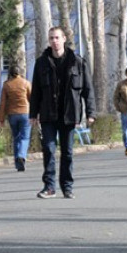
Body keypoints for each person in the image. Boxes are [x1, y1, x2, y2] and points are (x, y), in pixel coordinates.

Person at [29, 26, 95, 199]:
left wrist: (90, 113)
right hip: (48, 114)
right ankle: (49, 186)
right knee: (49, 150)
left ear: (64, 39)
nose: (54, 41)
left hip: (69, 114)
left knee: (67, 152)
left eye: (57, 37)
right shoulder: (41, 62)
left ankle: (67, 186)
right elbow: (36, 90)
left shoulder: (77, 61)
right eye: (51, 38)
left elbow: (87, 89)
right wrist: (32, 114)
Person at [0, 64, 32, 171]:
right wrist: (36, 114)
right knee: (25, 137)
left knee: (16, 138)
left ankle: (18, 164)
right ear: (20, 72)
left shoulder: (6, 85)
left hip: (12, 114)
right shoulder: (26, 83)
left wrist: (1, 118)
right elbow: (32, 99)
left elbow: (3, 103)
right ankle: (21, 156)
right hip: (25, 113)